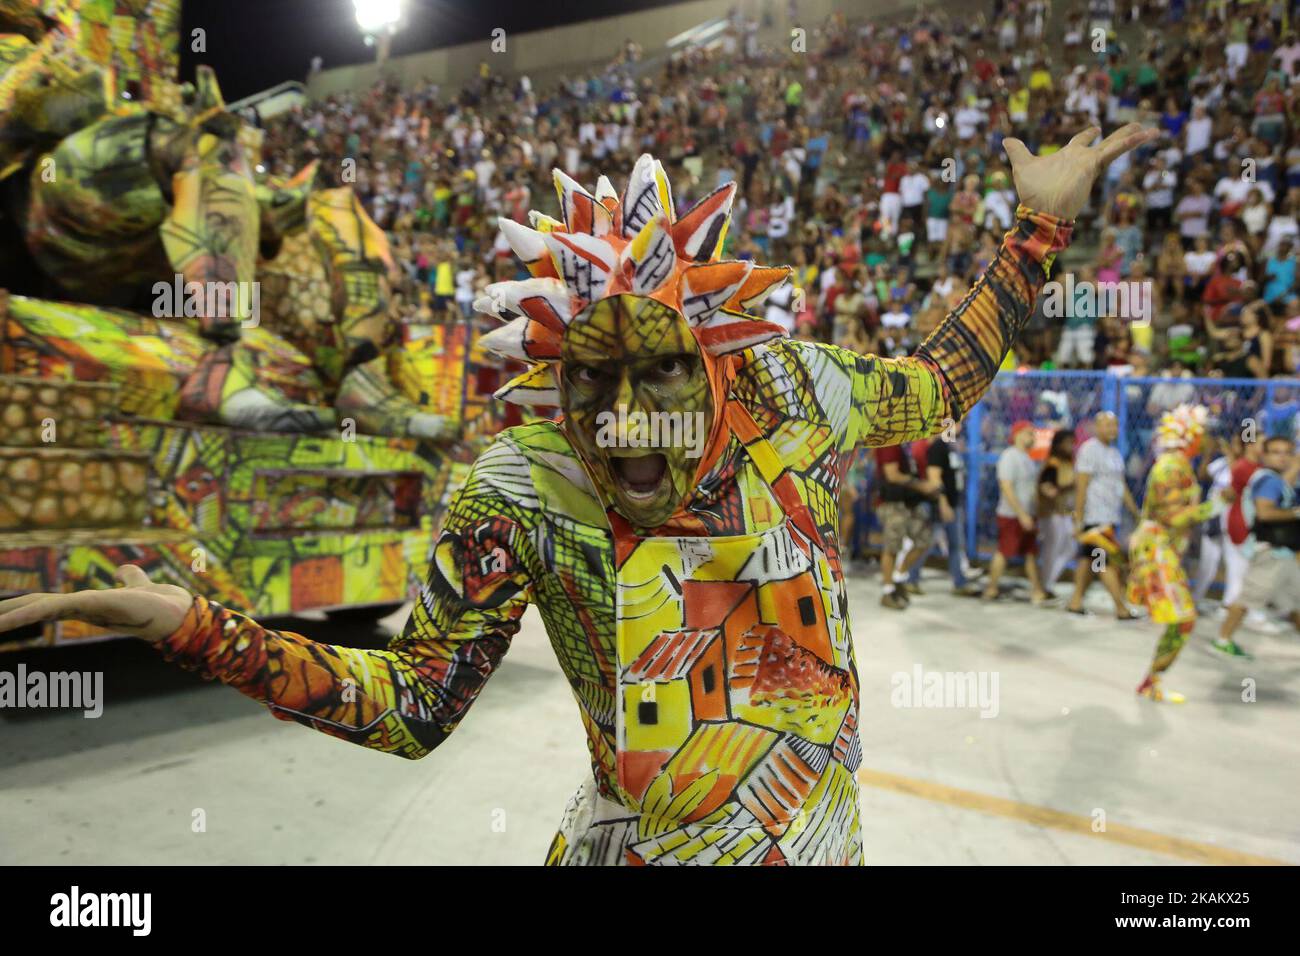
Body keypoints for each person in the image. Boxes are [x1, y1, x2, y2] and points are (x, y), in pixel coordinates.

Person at [0, 129, 1155, 865]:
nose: (624, 413)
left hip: (799, 831)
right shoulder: (521, 486)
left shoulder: (796, 390)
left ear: (712, 362)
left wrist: (1037, 231)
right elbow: (413, 704)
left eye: (659, 369)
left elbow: (943, 378)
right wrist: (196, 628)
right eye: (590, 378)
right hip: (628, 831)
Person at [1127, 405, 1233, 703]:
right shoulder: (1170, 467)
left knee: (1183, 618)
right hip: (1156, 549)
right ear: (1190, 436)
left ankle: (1152, 681)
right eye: (1203, 433)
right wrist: (1215, 506)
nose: (1206, 438)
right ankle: (1152, 681)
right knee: (1184, 617)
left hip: (1165, 549)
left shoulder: (1179, 464)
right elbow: (1173, 517)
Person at [1214, 436, 1300, 657]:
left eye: (1287, 452)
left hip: (1283, 553)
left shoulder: (1273, 479)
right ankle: (1222, 640)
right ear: (1265, 454)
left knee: (1296, 602)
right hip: (1270, 552)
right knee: (1246, 599)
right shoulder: (1268, 480)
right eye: (1276, 452)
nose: (1282, 457)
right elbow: (1265, 512)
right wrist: (1296, 513)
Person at [1065, 412, 1140, 619]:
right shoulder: (1089, 450)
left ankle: (1075, 601)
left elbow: (1120, 485)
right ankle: (1121, 608)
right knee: (1103, 562)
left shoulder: (1114, 453)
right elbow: (1081, 485)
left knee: (1087, 559)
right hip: (1095, 517)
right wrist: (1079, 518)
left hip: (1110, 516)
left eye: (1114, 425)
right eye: (1107, 425)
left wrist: (1134, 510)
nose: (1112, 429)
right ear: (1097, 427)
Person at [983, 420, 1053, 604]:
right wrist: (1021, 514)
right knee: (1004, 551)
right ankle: (991, 588)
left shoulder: (1027, 458)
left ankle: (1037, 590)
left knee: (1030, 552)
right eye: (1029, 433)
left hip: (1026, 514)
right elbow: (1006, 487)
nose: (1033, 437)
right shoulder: (1010, 456)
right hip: (1011, 515)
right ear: (1018, 435)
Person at [874, 440, 939, 609]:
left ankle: (899, 577)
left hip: (909, 502)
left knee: (925, 539)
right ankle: (888, 591)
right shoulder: (890, 442)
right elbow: (892, 474)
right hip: (892, 503)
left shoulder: (908, 444)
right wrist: (920, 486)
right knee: (892, 547)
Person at [1036, 429, 1076, 594]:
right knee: (1051, 551)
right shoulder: (1053, 463)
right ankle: (1046, 585)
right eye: (1068, 443)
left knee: (1069, 549)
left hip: (1065, 513)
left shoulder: (1068, 463)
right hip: (1053, 513)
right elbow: (1046, 487)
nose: (1071, 446)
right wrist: (1068, 487)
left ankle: (1048, 583)